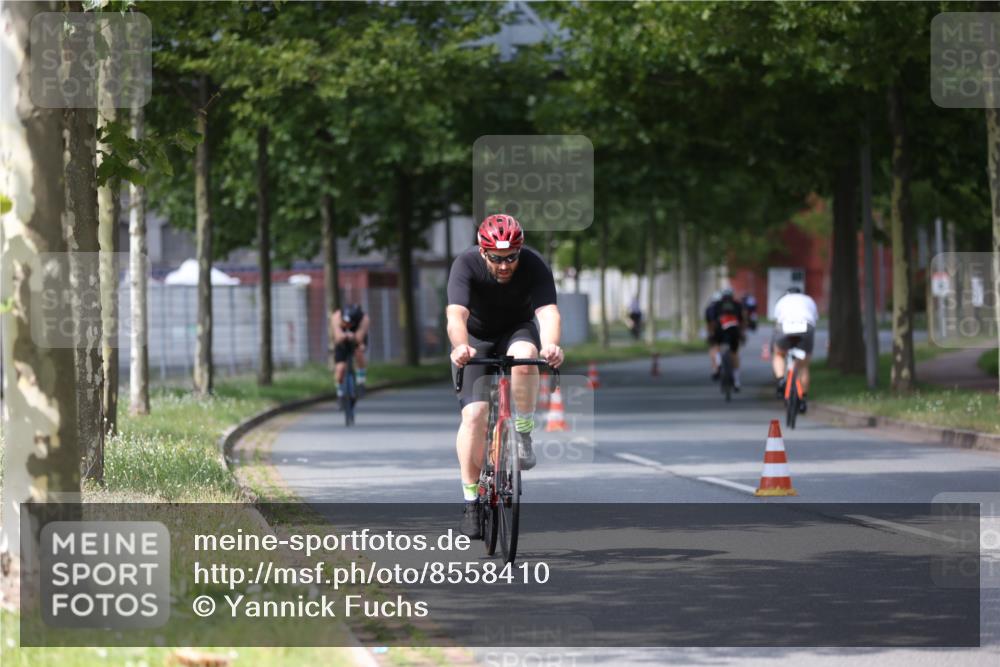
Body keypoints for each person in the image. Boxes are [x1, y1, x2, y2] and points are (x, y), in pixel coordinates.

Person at [446, 214, 564, 538]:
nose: (503, 265)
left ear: (520, 250)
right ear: (483, 252)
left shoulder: (534, 264)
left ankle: (523, 431)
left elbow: (548, 312)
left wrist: (551, 345)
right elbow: (455, 314)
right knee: (475, 416)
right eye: (496, 259)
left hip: (517, 331)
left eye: (511, 257)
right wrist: (459, 347)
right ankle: (471, 500)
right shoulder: (465, 265)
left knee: (527, 360)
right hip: (476, 340)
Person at [771, 286, 819, 413]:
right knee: (803, 365)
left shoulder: (782, 300)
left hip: (785, 327)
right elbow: (814, 320)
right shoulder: (809, 300)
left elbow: (776, 321)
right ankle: (803, 400)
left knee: (779, 354)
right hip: (806, 327)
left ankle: (781, 380)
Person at [709, 288, 747, 389]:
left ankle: (718, 363)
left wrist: (712, 334)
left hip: (720, 331)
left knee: (717, 347)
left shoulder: (717, 305)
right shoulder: (737, 305)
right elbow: (742, 321)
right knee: (734, 353)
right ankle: (737, 381)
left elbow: (712, 321)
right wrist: (742, 334)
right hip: (734, 330)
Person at [330, 303, 369, 398]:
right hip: (341, 339)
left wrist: (354, 337)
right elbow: (337, 336)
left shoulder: (364, 319)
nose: (347, 325)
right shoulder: (336, 317)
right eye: (345, 323)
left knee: (360, 351)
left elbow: (360, 336)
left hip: (356, 337)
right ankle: (340, 392)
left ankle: (361, 381)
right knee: (340, 368)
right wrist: (343, 336)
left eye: (350, 323)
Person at [705, 291, 722, 380]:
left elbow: (709, 323)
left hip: (715, 330)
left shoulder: (709, 308)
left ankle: (715, 368)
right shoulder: (726, 307)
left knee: (713, 349)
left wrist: (710, 333)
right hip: (728, 331)